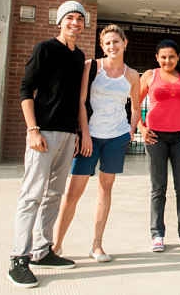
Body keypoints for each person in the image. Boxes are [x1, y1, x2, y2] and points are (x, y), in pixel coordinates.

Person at [9, 0, 88, 288]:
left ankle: (43, 250)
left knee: (55, 194)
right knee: (31, 195)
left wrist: (78, 133)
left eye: (80, 19)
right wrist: (32, 129)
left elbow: (75, 99)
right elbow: (25, 89)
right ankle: (19, 257)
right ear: (60, 21)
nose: (75, 23)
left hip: (68, 135)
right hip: (43, 133)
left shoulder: (79, 56)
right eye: (70, 18)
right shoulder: (44, 49)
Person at [53, 24, 140, 263]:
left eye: (116, 41)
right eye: (108, 43)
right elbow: (80, 102)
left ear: (125, 43)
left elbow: (136, 106)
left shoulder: (132, 75)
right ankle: (56, 245)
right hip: (90, 137)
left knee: (105, 189)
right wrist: (86, 134)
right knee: (73, 193)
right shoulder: (91, 67)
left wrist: (131, 130)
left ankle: (97, 245)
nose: (112, 46)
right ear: (102, 46)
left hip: (116, 138)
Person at [137, 39, 180, 252]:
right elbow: (134, 103)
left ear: (178, 57)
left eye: (171, 56)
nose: (167, 60)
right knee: (158, 188)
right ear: (157, 58)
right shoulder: (149, 75)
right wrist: (142, 129)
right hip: (156, 138)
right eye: (163, 57)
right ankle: (157, 234)